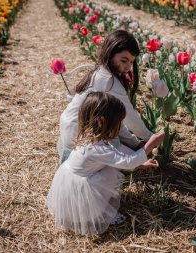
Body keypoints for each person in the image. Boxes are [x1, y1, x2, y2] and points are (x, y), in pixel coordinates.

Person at [47, 92, 164, 235]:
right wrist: (150, 145)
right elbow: (126, 162)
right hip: (80, 187)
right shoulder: (97, 148)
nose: (120, 127)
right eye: (118, 123)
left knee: (109, 171)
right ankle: (95, 215)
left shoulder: (90, 136)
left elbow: (119, 155)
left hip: (71, 178)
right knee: (109, 176)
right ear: (102, 122)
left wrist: (140, 163)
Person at [57, 29, 154, 163]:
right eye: (124, 60)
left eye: (131, 62)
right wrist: (150, 138)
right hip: (78, 137)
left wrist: (134, 143)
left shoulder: (100, 71)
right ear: (110, 53)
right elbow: (129, 118)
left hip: (69, 128)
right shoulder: (109, 81)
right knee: (124, 161)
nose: (127, 67)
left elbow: (115, 121)